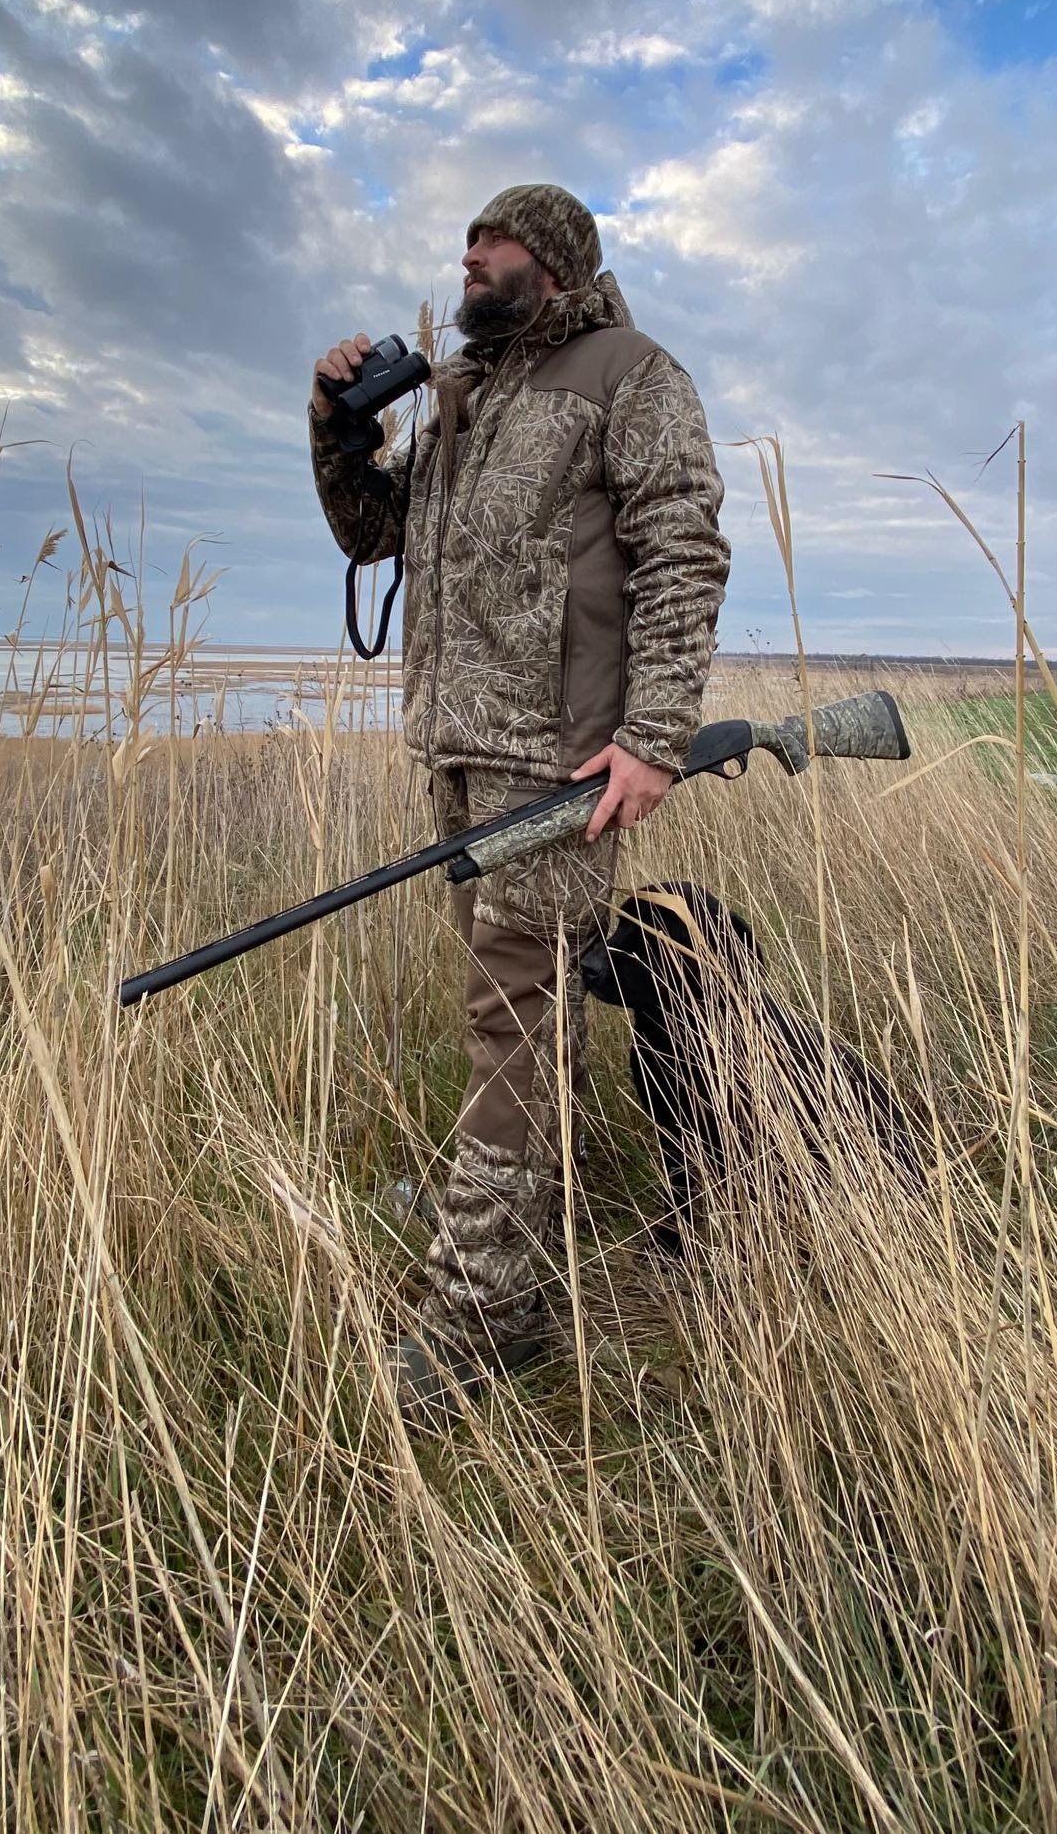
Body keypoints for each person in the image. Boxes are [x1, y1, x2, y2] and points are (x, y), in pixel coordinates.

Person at [310, 183, 730, 1421]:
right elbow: (372, 534)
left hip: (558, 764)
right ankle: (522, 1233)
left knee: (513, 1016)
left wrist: (653, 739)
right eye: (465, 245)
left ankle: (481, 1316)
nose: (467, 259)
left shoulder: (629, 374)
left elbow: (682, 551)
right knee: (525, 1013)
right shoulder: (458, 392)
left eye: (489, 245)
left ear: (549, 262)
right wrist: (337, 427)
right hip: (458, 751)